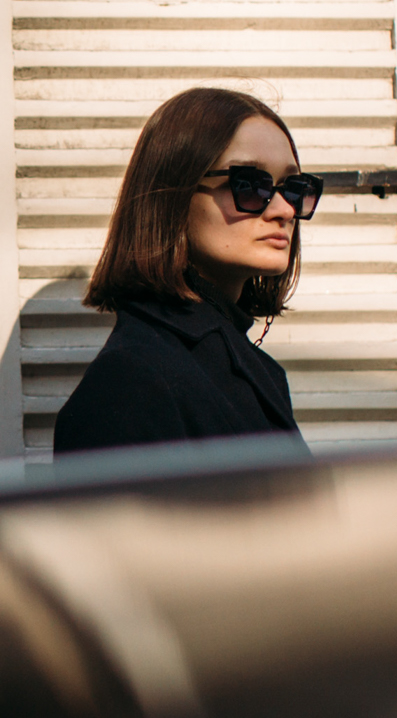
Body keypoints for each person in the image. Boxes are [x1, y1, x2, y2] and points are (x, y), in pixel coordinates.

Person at [54, 87, 319, 457]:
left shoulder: (244, 364)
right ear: (173, 196)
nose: (285, 210)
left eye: (293, 188)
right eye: (249, 184)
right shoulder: (129, 383)